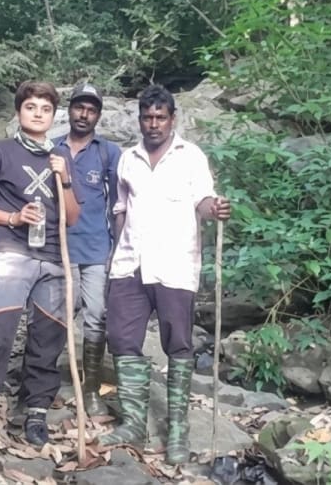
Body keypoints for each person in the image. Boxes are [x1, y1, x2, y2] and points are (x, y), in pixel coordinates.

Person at [97, 84, 231, 465]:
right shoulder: (128, 158)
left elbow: (203, 200)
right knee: (122, 339)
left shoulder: (191, 157)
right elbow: (120, 208)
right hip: (130, 264)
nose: (153, 124)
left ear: (173, 119)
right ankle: (134, 424)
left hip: (175, 264)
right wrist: (115, 253)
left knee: (178, 344)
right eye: (147, 117)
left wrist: (214, 208)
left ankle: (177, 431)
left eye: (160, 117)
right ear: (140, 120)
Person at [0, 81, 80, 454]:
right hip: (12, 252)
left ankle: (35, 408)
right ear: (19, 112)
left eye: (45, 109)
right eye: (30, 107)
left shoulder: (61, 157)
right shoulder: (1, 152)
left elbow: (71, 217)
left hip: (53, 256)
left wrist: (66, 178)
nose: (38, 113)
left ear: (53, 116)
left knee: (47, 337)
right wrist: (13, 217)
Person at [57, 84, 120, 415]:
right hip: (58, 249)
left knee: (96, 318)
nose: (84, 114)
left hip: (96, 248)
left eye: (91, 109)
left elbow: (118, 204)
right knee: (55, 317)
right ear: (69, 110)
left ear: (98, 114)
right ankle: (47, 383)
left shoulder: (108, 152)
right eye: (79, 107)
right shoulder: (51, 149)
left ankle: (92, 390)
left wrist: (116, 247)